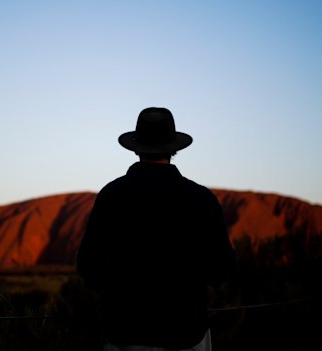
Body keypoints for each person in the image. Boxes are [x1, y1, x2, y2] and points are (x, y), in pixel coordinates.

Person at [77, 107, 235, 351]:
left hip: (125, 336)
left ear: (136, 147)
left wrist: (122, 288)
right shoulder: (202, 199)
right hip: (187, 336)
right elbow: (222, 269)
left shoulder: (111, 196)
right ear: (174, 148)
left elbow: (88, 266)